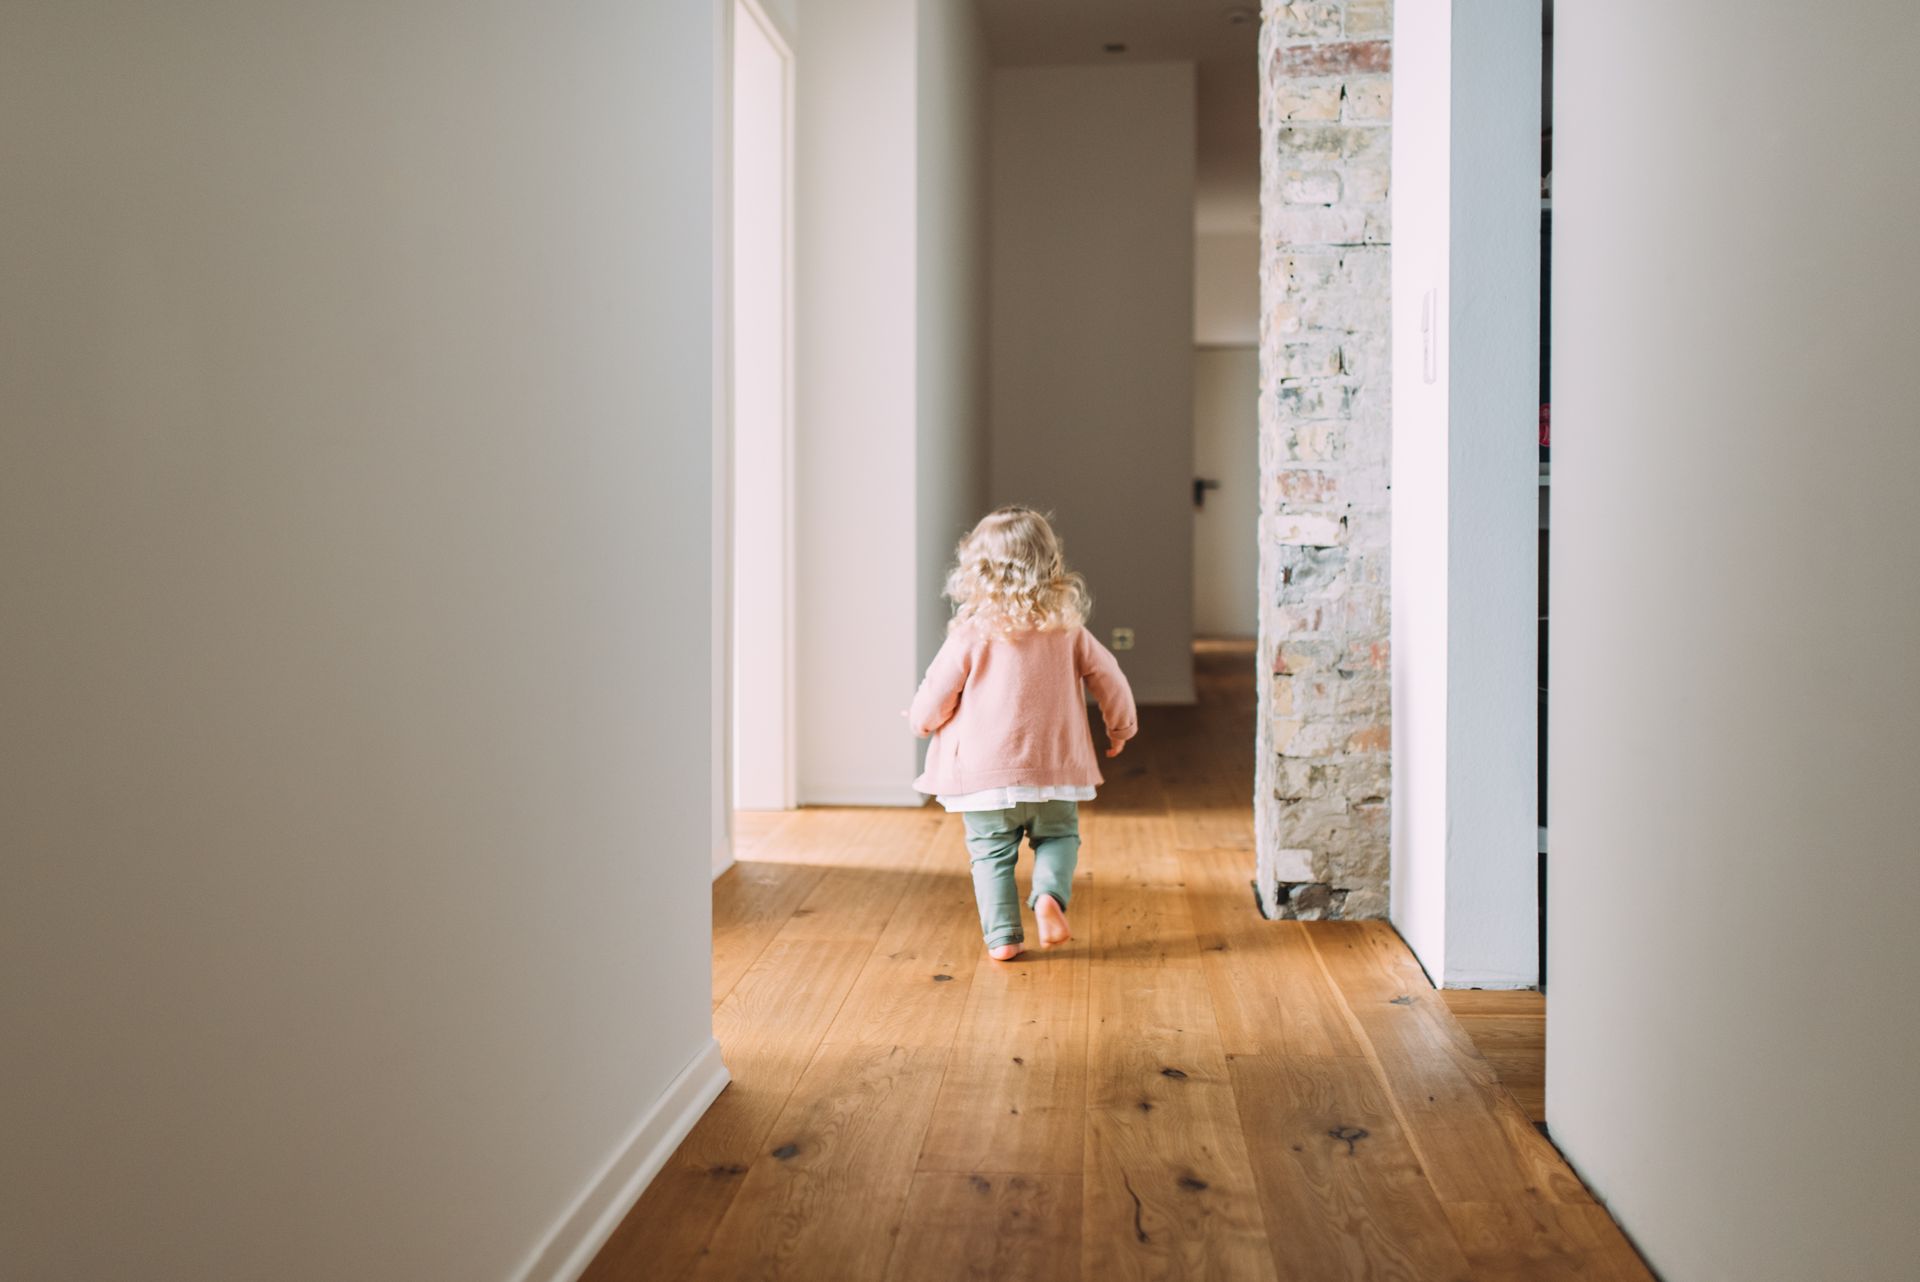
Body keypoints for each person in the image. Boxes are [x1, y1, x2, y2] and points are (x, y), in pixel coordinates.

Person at [907, 507, 1137, 961]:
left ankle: (1004, 938)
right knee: (1059, 839)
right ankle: (1049, 895)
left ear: (980, 570)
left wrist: (921, 722)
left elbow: (937, 691)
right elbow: (1109, 676)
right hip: (1054, 771)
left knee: (990, 856)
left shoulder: (971, 633)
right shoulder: (1068, 630)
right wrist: (1120, 726)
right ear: (1051, 565)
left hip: (984, 778)